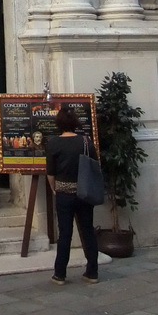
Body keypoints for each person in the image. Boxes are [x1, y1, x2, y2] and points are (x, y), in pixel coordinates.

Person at [46, 107, 100, 285]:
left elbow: (51, 172)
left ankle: (60, 274)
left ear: (59, 123)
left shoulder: (53, 143)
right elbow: (94, 164)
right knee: (87, 231)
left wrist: (55, 188)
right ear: (75, 122)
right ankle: (92, 272)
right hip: (84, 193)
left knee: (65, 234)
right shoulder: (86, 141)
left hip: (64, 194)